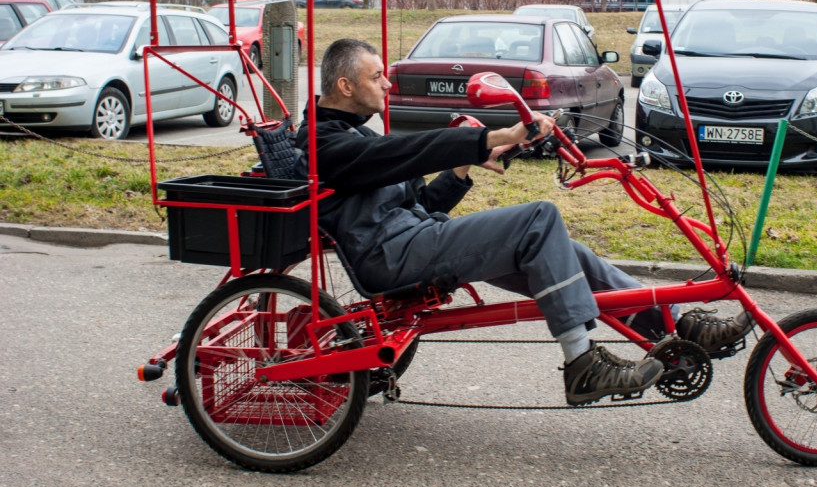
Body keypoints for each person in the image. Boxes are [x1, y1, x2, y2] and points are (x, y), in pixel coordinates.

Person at [295, 38, 752, 406]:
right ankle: (582, 363)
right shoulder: (323, 143)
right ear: (345, 85)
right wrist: (484, 138)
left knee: (567, 255)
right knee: (539, 218)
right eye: (378, 77)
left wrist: (461, 169)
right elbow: (399, 154)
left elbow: (420, 200)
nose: (387, 85)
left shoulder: (353, 134)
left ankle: (674, 329)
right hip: (389, 258)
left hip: (411, 240)